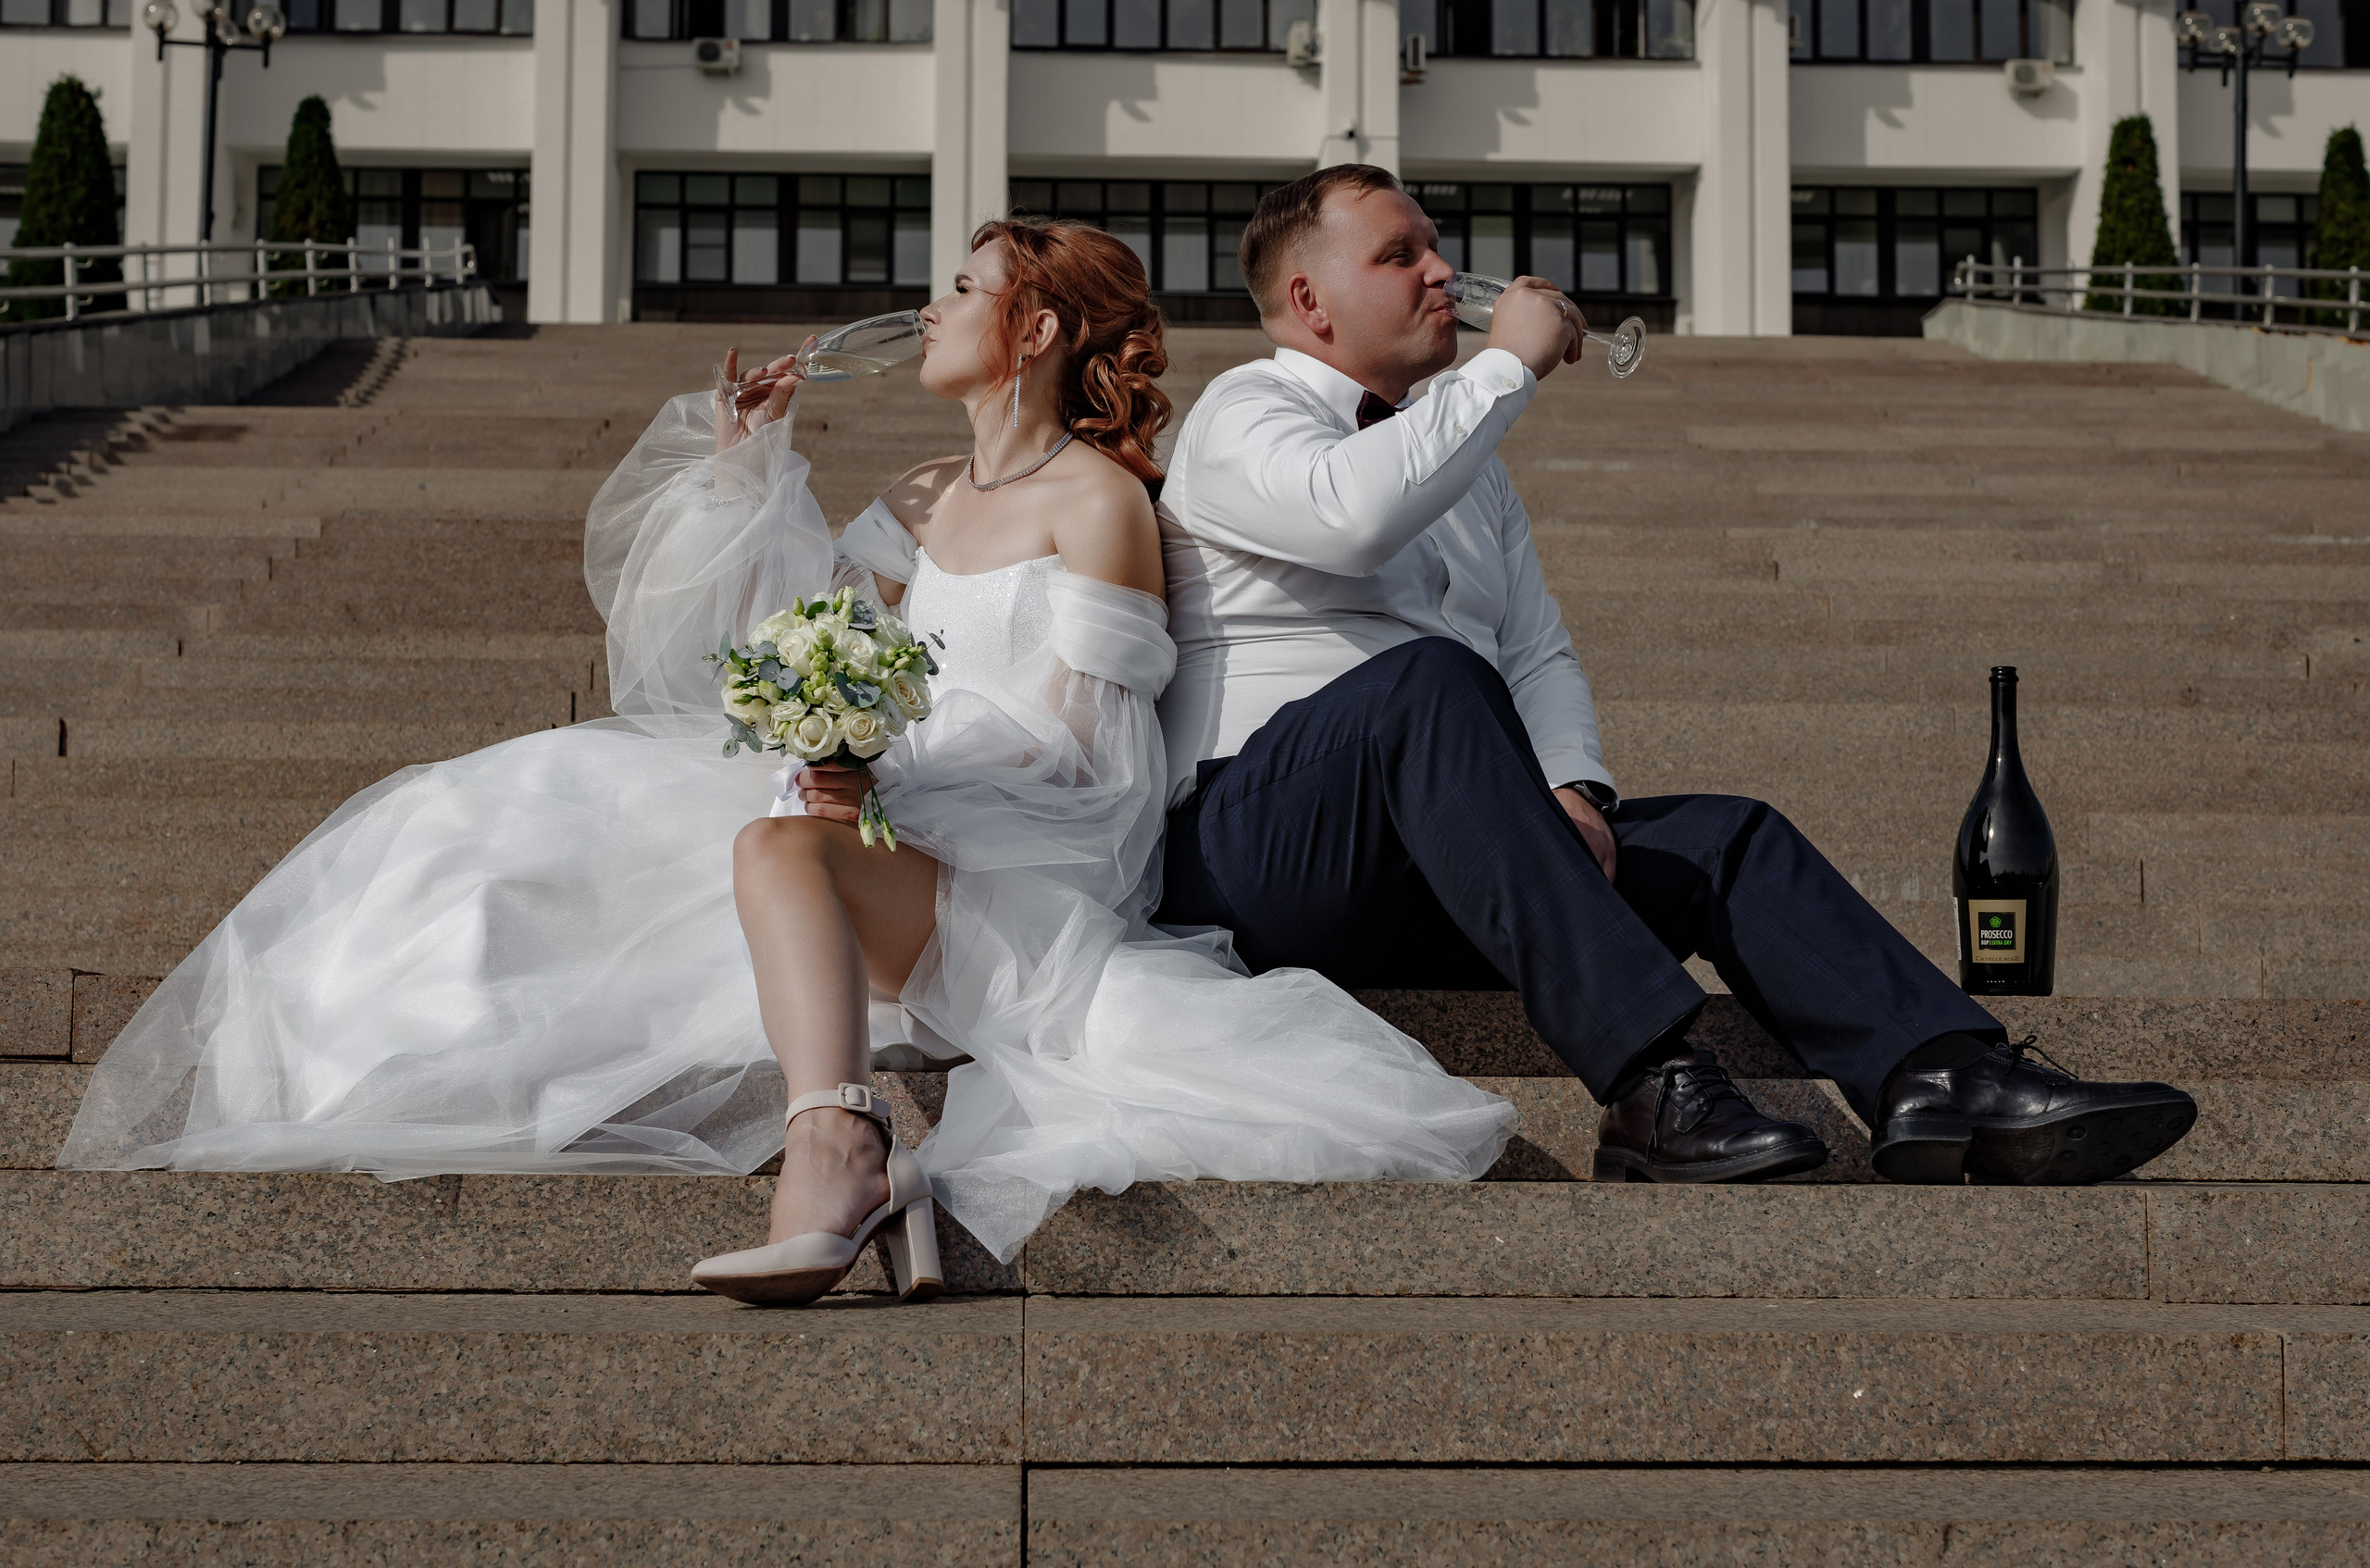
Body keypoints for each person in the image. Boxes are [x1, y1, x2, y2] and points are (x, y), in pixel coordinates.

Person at [58, 216, 1514, 1304]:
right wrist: (758, 475)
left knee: (769, 849)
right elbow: (798, 642)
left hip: (1017, 872)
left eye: (962, 286)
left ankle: (840, 1155)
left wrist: (892, 772)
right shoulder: (924, 491)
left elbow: (1101, 773)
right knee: (490, 816)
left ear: (1038, 331)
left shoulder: (1100, 502)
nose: (928, 305)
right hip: (883, 819)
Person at [1152, 165, 2198, 1187]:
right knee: (1427, 681)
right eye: (1399, 254)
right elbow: (1350, 513)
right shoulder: (1245, 412)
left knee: (1723, 840)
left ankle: (1942, 1072)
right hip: (1261, 851)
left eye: (1436, 246)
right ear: (1308, 300)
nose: (1441, 271)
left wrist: (1570, 788)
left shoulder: (1471, 471)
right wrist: (1504, 367)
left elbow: (1536, 649)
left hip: (1438, 853)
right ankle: (1654, 1084)